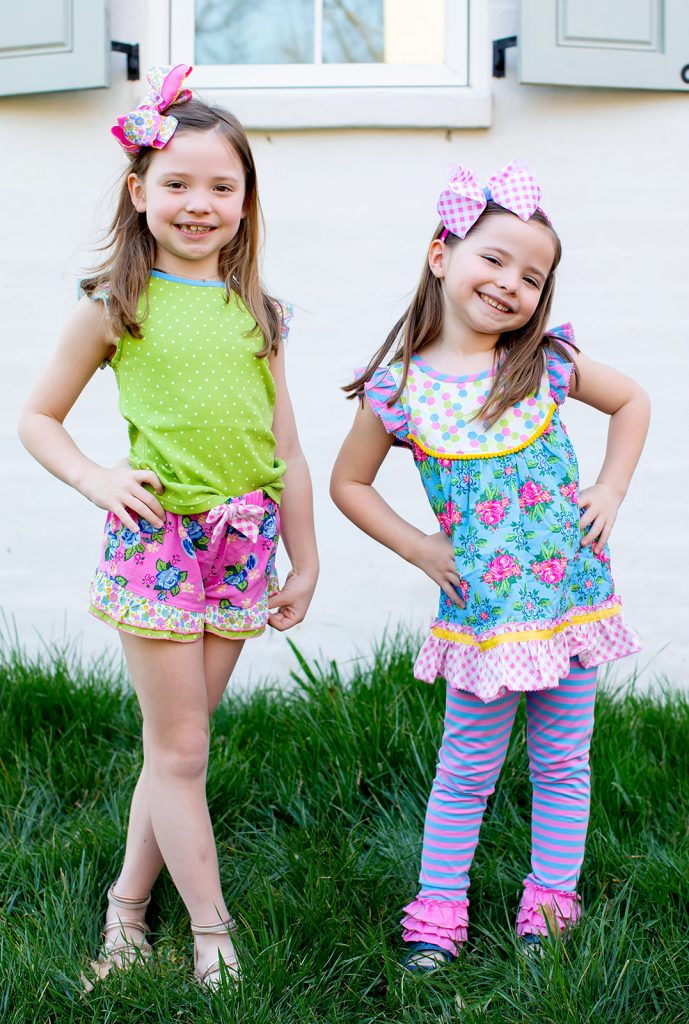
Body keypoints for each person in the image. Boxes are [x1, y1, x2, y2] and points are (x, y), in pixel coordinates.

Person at [18, 65, 319, 989]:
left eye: (221, 187)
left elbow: (289, 452)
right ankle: (210, 934)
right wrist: (97, 478)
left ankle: (123, 909)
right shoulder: (116, 307)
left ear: (245, 202)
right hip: (159, 545)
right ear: (139, 191)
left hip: (241, 545)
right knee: (183, 749)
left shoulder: (257, 314)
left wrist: (302, 562)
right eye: (177, 184)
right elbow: (37, 418)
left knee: (176, 747)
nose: (199, 204)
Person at [330, 160, 649, 970]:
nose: (511, 284)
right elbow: (348, 483)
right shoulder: (397, 391)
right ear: (441, 254)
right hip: (483, 617)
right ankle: (436, 919)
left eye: (531, 276)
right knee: (464, 771)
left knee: (562, 764)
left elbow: (632, 402)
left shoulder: (544, 364)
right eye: (494, 259)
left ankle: (549, 910)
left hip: (571, 605)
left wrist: (609, 487)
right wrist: (419, 546)